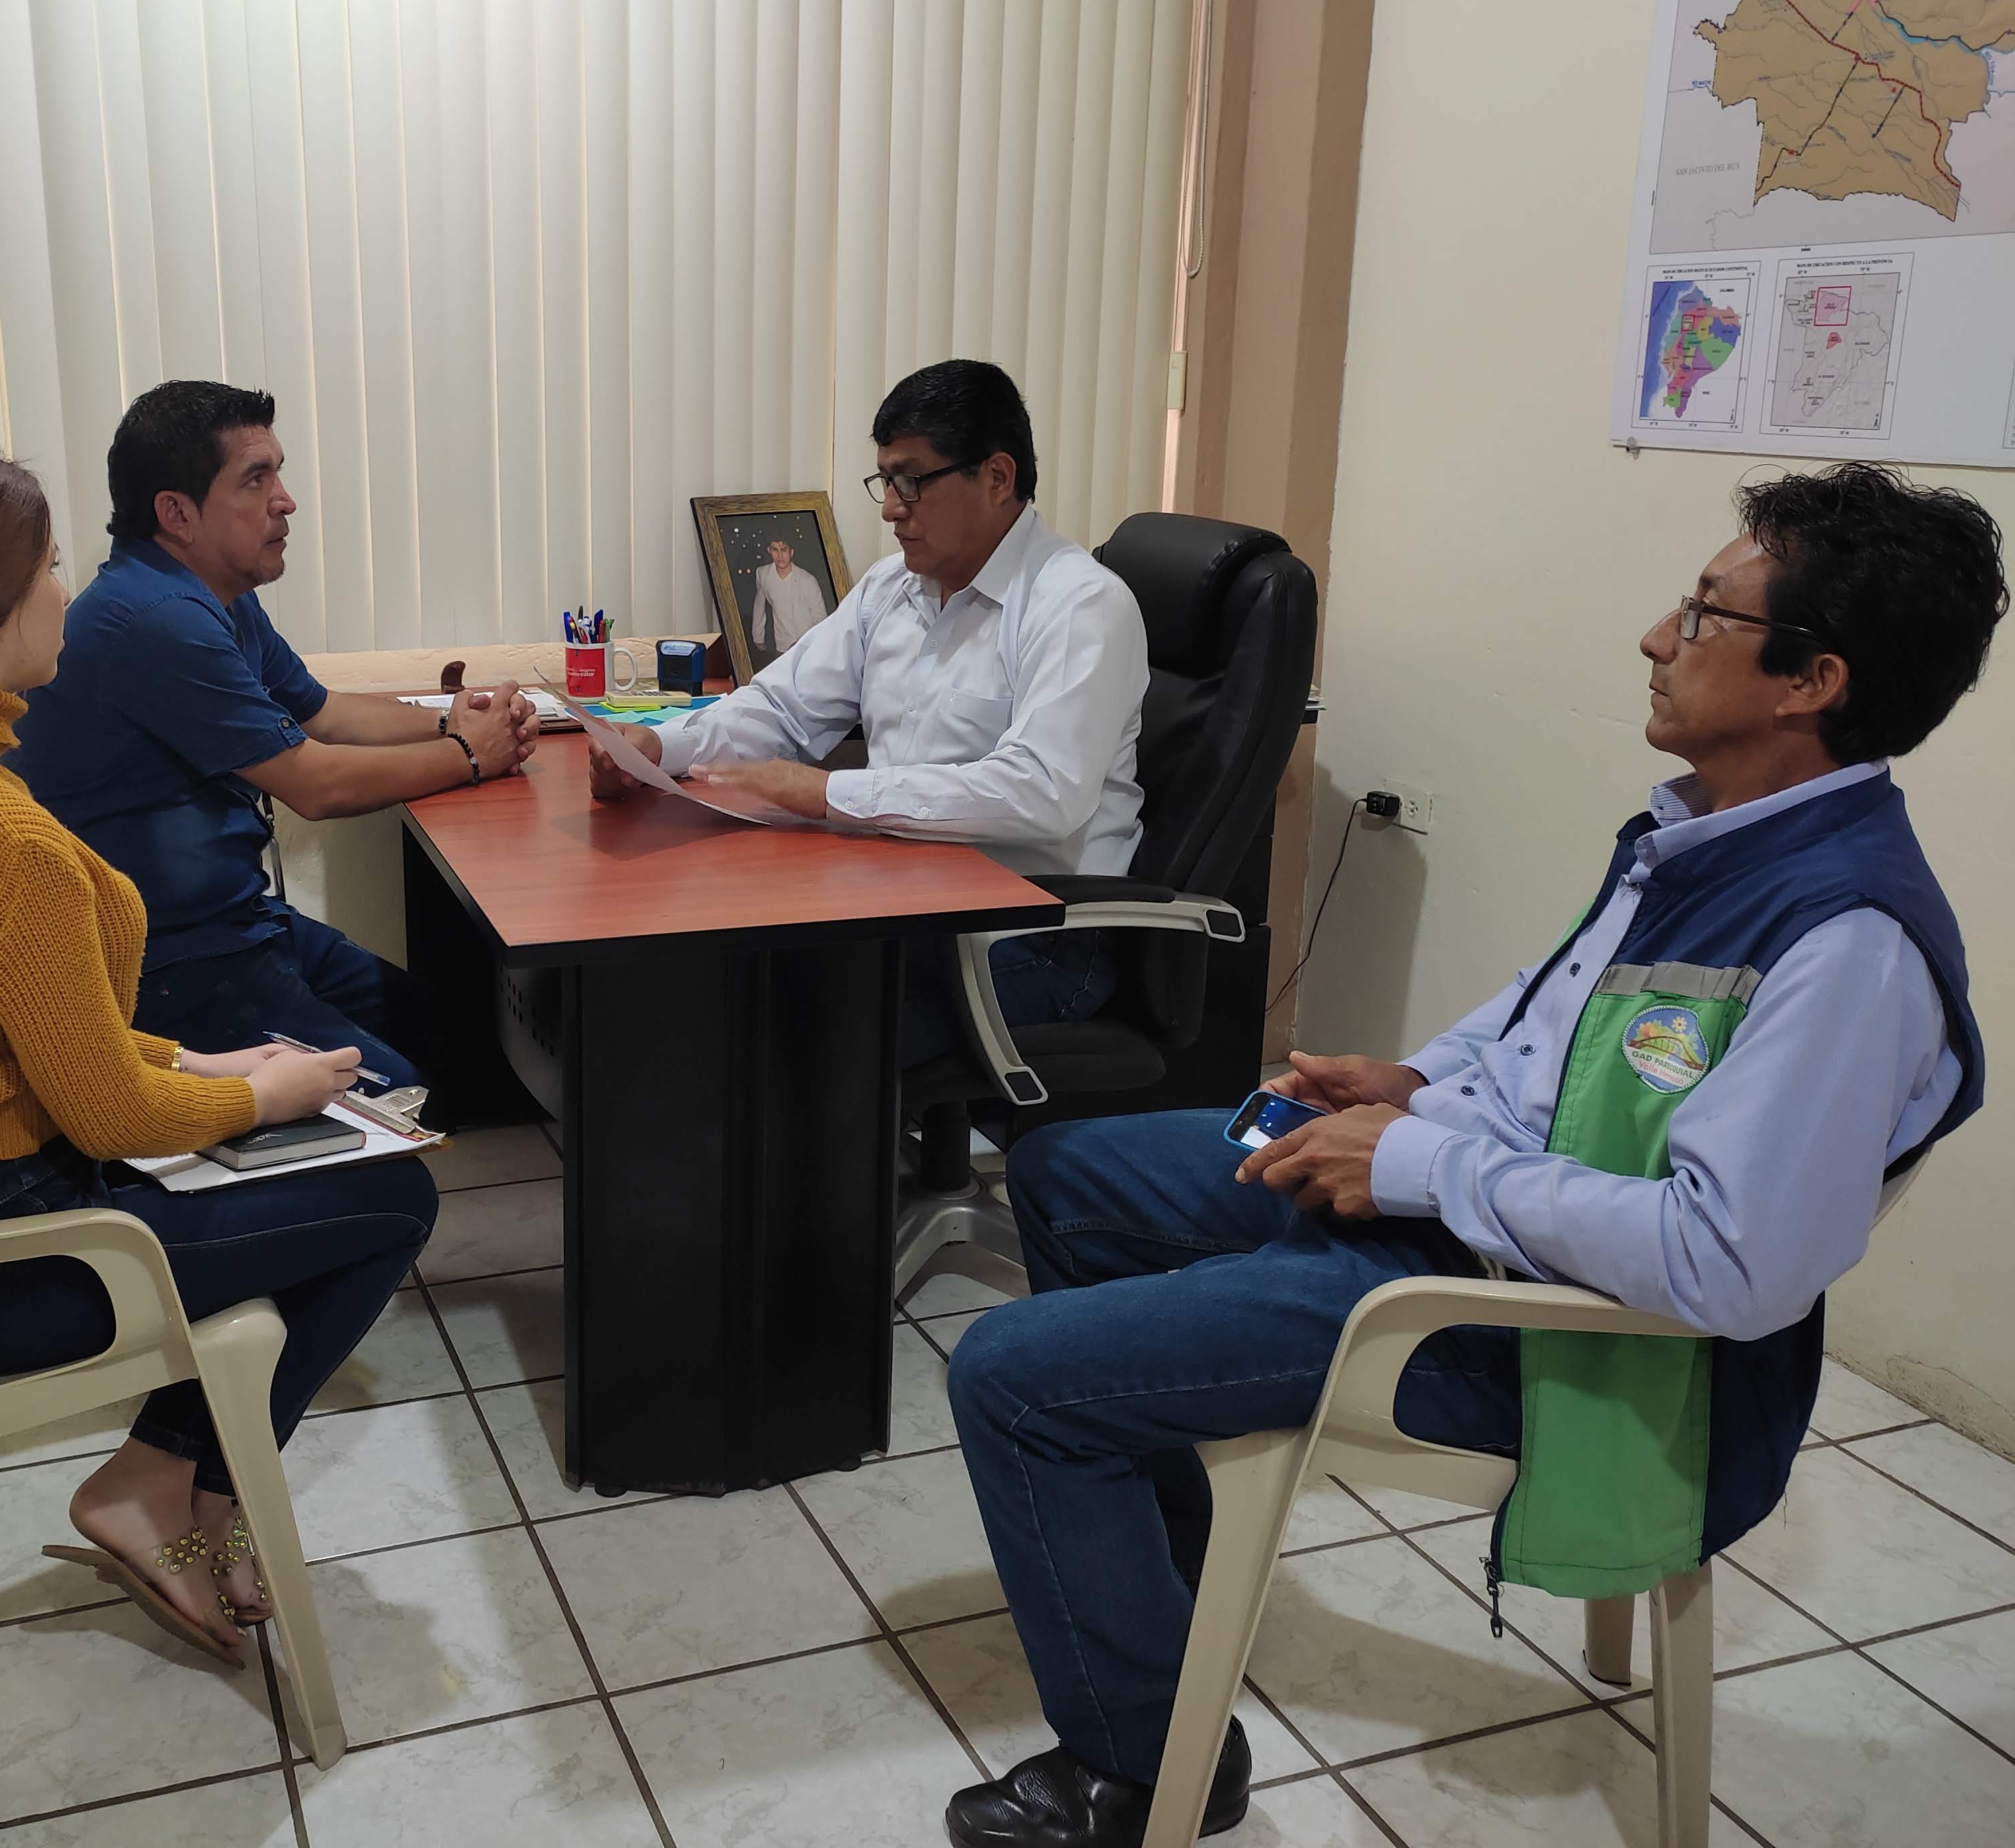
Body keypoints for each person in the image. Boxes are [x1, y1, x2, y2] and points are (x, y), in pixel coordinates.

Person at [939, 461, 2000, 1847]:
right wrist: (1420, 1084)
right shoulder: (1705, 834)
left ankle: (1141, 1772)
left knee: (1013, 1378)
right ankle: (1157, 1612)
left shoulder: (1845, 945)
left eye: (1703, 614)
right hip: (1469, 1209)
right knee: (1068, 1175)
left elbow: (1730, 1268)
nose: (1655, 637)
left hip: (1539, 1328)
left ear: (1812, 681)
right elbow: (1551, 1024)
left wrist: (1418, 1166)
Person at [0, 434, 437, 1667]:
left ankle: (170, 1482)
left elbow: (27, 1031)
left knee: (320, 1172)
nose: (65, 593)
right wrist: (267, 1098)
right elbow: (110, 1119)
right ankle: (171, 1481)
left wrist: (206, 1068)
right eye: (47, 567)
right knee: (392, 1196)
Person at [591, 358, 1150, 1069]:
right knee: (710, 964)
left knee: (790, 1021)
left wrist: (830, 794)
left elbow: (1042, 792)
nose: (890, 508)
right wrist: (656, 749)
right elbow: (782, 706)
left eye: (911, 481)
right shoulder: (893, 588)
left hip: (1031, 931)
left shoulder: (1079, 606)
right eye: (884, 481)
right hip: (902, 901)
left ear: (997, 477)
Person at [9, 380, 539, 1105]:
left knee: (460, 1042)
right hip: (166, 964)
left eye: (278, 474)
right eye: (256, 480)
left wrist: (459, 721)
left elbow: (324, 713)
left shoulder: (213, 595)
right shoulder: (156, 619)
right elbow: (314, 784)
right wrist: (473, 756)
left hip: (240, 926)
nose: (285, 501)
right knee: (398, 1094)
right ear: (177, 513)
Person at [749, 532, 830, 659]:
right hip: (782, 647)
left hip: (808, 644)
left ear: (791, 552)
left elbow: (820, 617)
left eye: (784, 550)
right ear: (769, 550)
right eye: (775, 550)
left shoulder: (807, 580)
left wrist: (806, 642)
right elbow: (759, 604)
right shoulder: (763, 574)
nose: (780, 556)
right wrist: (758, 635)